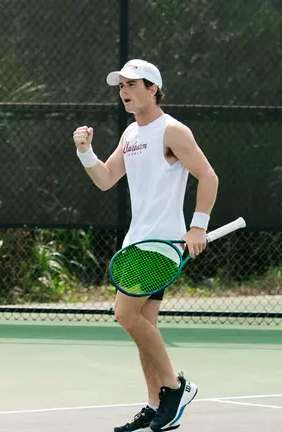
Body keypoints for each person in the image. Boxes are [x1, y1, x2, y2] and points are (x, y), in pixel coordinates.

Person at [72, 59, 218, 431]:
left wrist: (198, 226)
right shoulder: (130, 136)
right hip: (136, 241)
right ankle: (156, 406)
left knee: (125, 315)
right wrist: (85, 151)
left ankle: (175, 387)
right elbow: (106, 178)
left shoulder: (173, 131)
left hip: (162, 244)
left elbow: (207, 176)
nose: (124, 91)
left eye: (131, 84)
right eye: (120, 85)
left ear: (153, 89)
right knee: (144, 323)